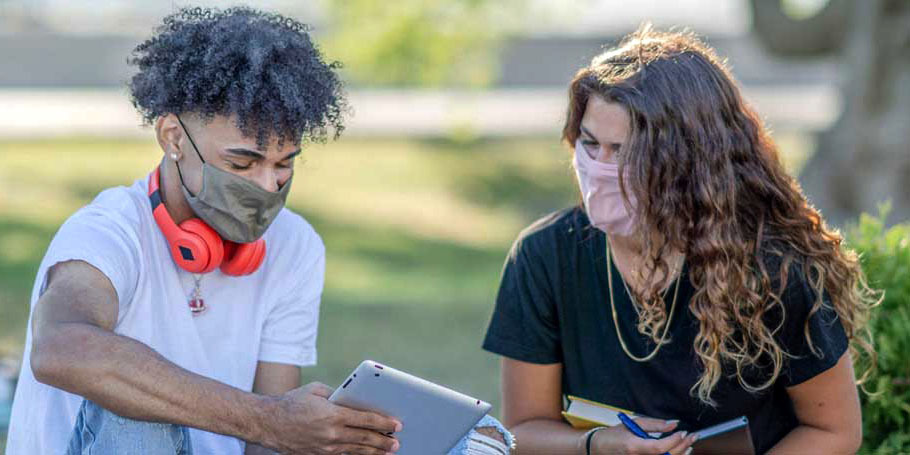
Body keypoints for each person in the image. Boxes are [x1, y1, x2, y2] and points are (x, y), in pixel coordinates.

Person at [6, 7, 510, 455]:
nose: (268, 187)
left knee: (473, 444)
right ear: (174, 137)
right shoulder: (107, 231)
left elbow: (269, 440)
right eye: (242, 163)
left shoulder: (294, 246)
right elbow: (62, 346)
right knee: (133, 411)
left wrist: (323, 433)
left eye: (284, 165)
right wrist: (267, 419)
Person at [482, 25, 878, 455]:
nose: (600, 167)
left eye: (626, 151)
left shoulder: (772, 266)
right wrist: (597, 445)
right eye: (591, 144)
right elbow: (522, 430)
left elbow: (833, 430)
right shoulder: (544, 254)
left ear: (689, 161)